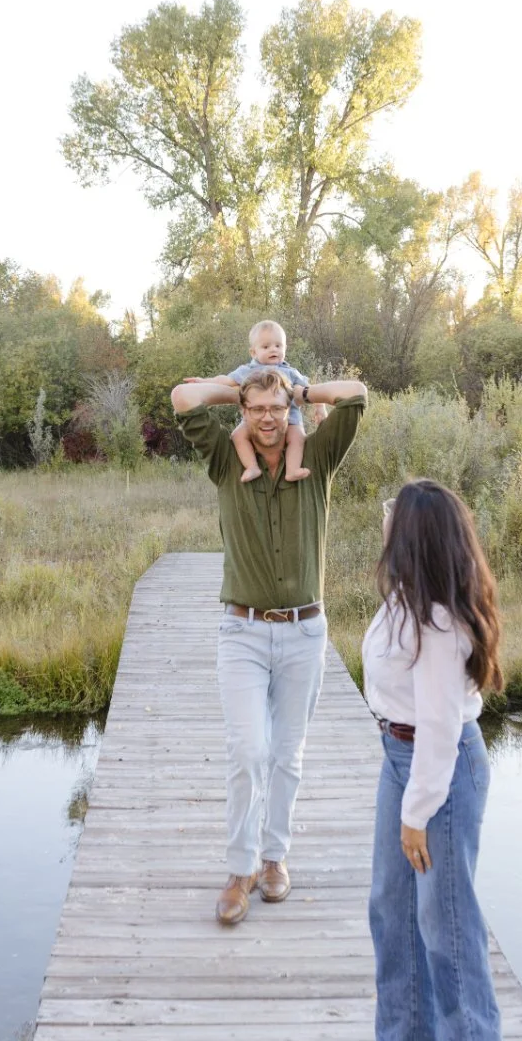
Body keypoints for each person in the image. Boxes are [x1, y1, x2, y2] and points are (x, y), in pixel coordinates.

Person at [170, 366, 367, 926]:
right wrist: (239, 389)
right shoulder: (226, 459)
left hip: (306, 632)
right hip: (243, 633)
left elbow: (356, 395)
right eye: (255, 409)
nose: (266, 418)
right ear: (243, 411)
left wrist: (297, 390)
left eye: (275, 409)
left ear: (289, 410)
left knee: (288, 755)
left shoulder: (317, 459)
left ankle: (275, 857)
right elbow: (184, 398)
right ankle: (241, 869)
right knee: (248, 753)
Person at [340, 479, 506, 1041]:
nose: (382, 522)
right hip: (399, 759)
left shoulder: (437, 621)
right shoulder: (404, 600)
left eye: (391, 517)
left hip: (440, 772)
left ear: (412, 534)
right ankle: (407, 1039)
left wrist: (418, 810)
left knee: (449, 923)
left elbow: (440, 726)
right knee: (391, 901)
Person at [187, 320, 321, 483]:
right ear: (253, 352)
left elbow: (311, 391)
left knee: (298, 438)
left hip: (290, 419)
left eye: (278, 346)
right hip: (254, 419)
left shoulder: (291, 372)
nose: (273, 350)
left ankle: (292, 470)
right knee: (237, 435)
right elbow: (226, 380)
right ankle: (252, 466)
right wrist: (204, 381)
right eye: (266, 347)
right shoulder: (248, 371)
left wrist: (320, 408)